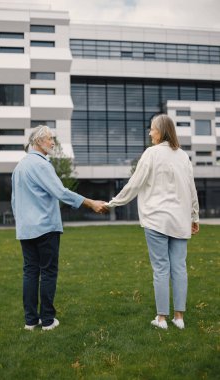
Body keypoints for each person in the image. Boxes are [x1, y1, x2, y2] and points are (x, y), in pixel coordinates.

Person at [103, 114, 199, 330]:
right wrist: (194, 216)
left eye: (152, 129)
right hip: (179, 221)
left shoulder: (151, 154)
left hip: (156, 220)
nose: (149, 132)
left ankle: (162, 320)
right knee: (179, 268)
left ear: (162, 131)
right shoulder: (183, 156)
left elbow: (134, 184)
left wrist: (112, 203)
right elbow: (192, 189)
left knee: (161, 268)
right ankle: (179, 318)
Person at [11, 125, 106, 331]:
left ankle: (30, 321)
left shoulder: (19, 167)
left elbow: (14, 201)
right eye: (49, 139)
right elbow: (61, 192)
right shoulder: (42, 165)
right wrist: (90, 203)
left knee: (30, 272)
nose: (53, 143)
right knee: (47, 273)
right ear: (37, 142)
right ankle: (47, 321)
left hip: (26, 230)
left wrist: (23, 222)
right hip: (46, 228)